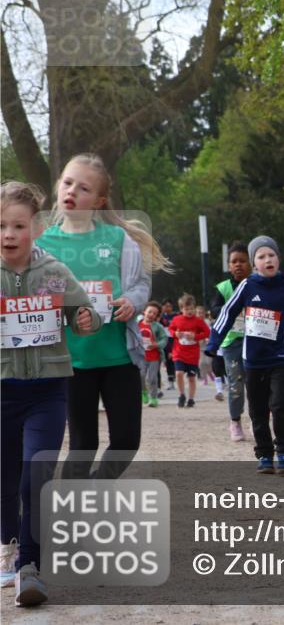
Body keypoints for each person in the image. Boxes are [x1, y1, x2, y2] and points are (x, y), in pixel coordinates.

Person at [36, 153, 170, 481]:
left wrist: (131, 303)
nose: (72, 191)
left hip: (118, 359)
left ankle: (95, 488)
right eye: (67, 183)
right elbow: (34, 297)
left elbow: (139, 285)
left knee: (126, 442)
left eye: (83, 188)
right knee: (83, 444)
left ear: (98, 200)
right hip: (72, 363)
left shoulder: (118, 239)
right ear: (58, 185)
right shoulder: (42, 244)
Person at [1, 181, 101, 607]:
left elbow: (90, 316)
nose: (8, 234)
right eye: (1, 225)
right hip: (2, 392)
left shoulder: (55, 272)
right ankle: (8, 545)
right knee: (4, 479)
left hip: (48, 390)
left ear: (36, 228)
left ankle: (30, 565)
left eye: (18, 226)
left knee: (35, 475)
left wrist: (83, 321)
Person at [206, 236, 284, 475]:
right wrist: (213, 344)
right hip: (253, 360)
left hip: (281, 357)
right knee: (258, 409)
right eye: (261, 257)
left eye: (271, 255)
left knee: (281, 404)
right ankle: (264, 454)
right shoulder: (247, 286)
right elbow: (227, 313)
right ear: (255, 263)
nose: (267, 259)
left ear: (278, 259)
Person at [210, 242, 251, 441]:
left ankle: (257, 419)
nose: (238, 265)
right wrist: (232, 308)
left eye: (243, 261)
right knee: (236, 383)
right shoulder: (224, 287)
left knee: (258, 382)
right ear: (228, 266)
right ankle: (235, 422)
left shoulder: (258, 284)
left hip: (256, 340)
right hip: (232, 342)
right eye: (234, 261)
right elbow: (214, 310)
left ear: (251, 263)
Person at [168, 294, 210, 408]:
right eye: (187, 309)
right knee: (179, 373)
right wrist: (175, 334)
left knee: (191, 378)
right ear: (181, 309)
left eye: (192, 309)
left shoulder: (198, 321)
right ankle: (182, 395)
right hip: (179, 352)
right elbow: (170, 329)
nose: (190, 311)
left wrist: (195, 337)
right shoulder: (176, 319)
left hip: (192, 355)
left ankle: (191, 399)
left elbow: (207, 332)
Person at [137, 301, 168, 408]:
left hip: (154, 357)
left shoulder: (158, 327)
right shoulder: (137, 324)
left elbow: (164, 339)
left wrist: (156, 344)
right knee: (140, 376)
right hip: (140, 356)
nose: (151, 315)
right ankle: (143, 392)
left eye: (154, 314)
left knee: (152, 378)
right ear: (144, 311)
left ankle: (153, 398)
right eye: (150, 312)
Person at [160, 299, 177, 390]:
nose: (167, 308)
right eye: (165, 306)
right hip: (162, 340)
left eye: (169, 306)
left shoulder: (175, 316)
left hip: (171, 340)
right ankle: (159, 383)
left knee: (170, 361)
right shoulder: (159, 316)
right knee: (164, 362)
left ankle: (171, 382)